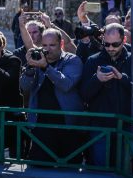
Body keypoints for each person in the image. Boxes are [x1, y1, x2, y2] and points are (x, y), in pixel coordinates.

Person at [81, 23, 133, 167]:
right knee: (100, 168)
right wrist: (97, 80)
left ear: (124, 40)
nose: (110, 48)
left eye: (115, 44)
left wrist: (122, 78)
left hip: (126, 124)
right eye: (106, 44)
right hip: (100, 124)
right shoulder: (93, 60)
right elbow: (84, 94)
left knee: (124, 169)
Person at [20, 28, 85, 164]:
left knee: (70, 168)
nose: (47, 49)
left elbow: (66, 84)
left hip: (67, 124)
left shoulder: (72, 60)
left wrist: (45, 67)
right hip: (41, 123)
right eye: (44, 45)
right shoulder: (39, 59)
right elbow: (24, 87)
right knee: (39, 167)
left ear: (61, 44)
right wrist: (30, 68)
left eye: (52, 45)